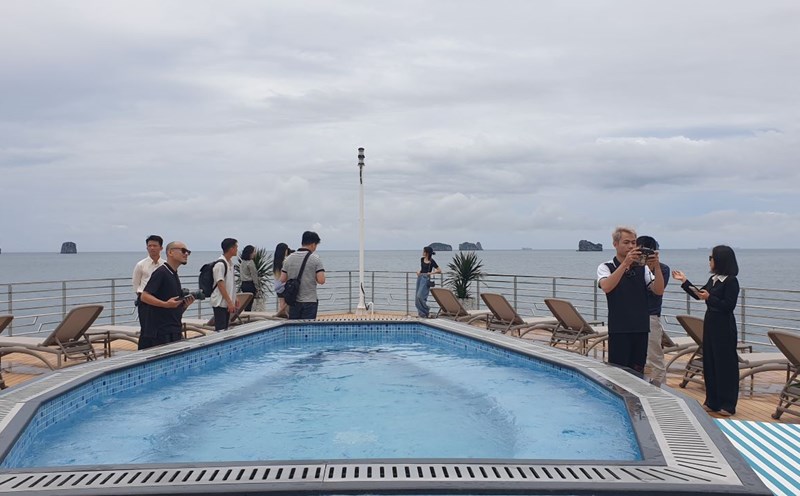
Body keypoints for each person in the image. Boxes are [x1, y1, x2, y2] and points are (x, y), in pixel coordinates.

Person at [672, 245, 740, 416]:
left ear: (720, 260)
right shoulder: (714, 279)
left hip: (724, 325)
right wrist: (684, 281)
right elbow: (699, 294)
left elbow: (728, 306)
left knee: (725, 364)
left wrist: (711, 298)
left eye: (712, 257)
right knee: (710, 362)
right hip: (711, 323)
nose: (709, 261)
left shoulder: (731, 281)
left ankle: (728, 404)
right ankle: (712, 401)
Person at [597, 227, 664, 375]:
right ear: (615, 244)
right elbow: (607, 287)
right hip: (619, 328)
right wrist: (625, 264)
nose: (631, 246)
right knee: (618, 372)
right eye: (626, 242)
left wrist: (656, 267)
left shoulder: (643, 269)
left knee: (638, 372)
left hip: (640, 327)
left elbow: (658, 291)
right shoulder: (606, 267)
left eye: (633, 243)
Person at [138, 241, 195, 350]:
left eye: (188, 252)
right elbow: (144, 296)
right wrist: (165, 304)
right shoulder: (161, 272)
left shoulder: (173, 274)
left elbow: (171, 305)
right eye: (183, 251)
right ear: (170, 252)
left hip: (173, 330)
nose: (186, 254)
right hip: (160, 334)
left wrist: (184, 305)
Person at [637, 235, 670, 386]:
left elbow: (657, 291)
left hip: (651, 315)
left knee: (655, 357)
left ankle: (659, 389)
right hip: (632, 315)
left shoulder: (662, 269)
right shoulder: (631, 267)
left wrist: (653, 267)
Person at [280, 231, 325, 320]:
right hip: (310, 300)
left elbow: (282, 279)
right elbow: (321, 280)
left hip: (293, 300)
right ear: (313, 244)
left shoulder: (288, 259)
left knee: (294, 327)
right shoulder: (315, 259)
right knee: (308, 328)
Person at [131, 235, 164, 335]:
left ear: (161, 248)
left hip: (161, 299)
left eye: (155, 245)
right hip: (144, 300)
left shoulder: (165, 265)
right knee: (146, 328)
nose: (152, 248)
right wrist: (141, 296)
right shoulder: (141, 264)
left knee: (160, 326)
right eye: (149, 246)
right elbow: (135, 283)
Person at [211, 238, 238, 331]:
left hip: (227, 302)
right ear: (231, 249)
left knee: (226, 328)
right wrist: (230, 302)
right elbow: (220, 284)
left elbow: (231, 283)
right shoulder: (220, 264)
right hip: (220, 302)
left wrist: (235, 298)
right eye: (236, 247)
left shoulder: (230, 263)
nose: (237, 249)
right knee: (221, 329)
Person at [415, 246, 442, 318]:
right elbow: (422, 268)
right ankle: (421, 314)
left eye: (424, 251)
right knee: (417, 297)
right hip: (420, 278)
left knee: (420, 296)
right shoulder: (422, 259)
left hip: (426, 278)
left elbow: (439, 270)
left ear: (427, 253)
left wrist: (432, 273)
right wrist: (419, 271)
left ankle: (426, 310)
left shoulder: (431, 261)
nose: (422, 252)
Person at [273, 242, 291, 317]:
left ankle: (281, 314)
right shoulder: (285, 262)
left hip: (277, 285)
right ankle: (281, 313)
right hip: (283, 285)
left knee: (282, 303)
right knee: (288, 302)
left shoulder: (275, 262)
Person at [239, 245, 258, 312]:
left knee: (246, 303)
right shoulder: (250, 262)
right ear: (250, 253)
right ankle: (248, 316)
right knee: (250, 303)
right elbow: (254, 275)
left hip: (243, 284)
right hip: (250, 284)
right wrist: (257, 287)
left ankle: (246, 315)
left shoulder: (242, 262)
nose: (255, 253)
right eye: (254, 252)